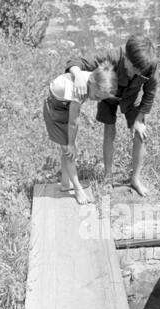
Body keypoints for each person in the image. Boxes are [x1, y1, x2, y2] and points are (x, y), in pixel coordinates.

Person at [65, 35, 158, 196]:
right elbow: (76, 62)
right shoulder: (112, 56)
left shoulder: (148, 65)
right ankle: (108, 177)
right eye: (133, 67)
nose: (136, 72)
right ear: (126, 57)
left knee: (140, 134)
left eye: (139, 70)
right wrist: (78, 75)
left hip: (131, 99)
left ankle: (135, 179)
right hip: (107, 96)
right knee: (109, 130)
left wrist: (140, 118)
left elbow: (150, 91)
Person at [43, 61, 118, 204]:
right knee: (68, 150)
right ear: (91, 83)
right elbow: (74, 121)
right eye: (97, 97)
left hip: (63, 107)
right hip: (54, 111)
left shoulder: (92, 78)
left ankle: (66, 184)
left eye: (101, 99)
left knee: (67, 149)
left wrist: (71, 142)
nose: (98, 100)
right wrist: (71, 143)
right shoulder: (78, 89)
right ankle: (78, 189)